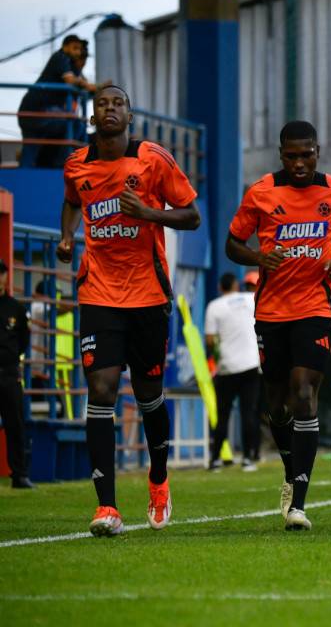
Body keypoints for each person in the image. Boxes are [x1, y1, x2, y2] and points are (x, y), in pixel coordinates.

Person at [59, 85, 201, 536]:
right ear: (92, 117)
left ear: (130, 116)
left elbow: (192, 215)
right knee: (101, 390)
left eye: (117, 103)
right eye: (102, 103)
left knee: (147, 396)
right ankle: (107, 507)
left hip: (148, 295)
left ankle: (158, 481)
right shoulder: (76, 164)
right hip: (98, 293)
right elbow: (72, 200)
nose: (110, 109)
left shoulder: (153, 160)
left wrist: (147, 213)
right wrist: (67, 236)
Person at [226, 120, 331, 531]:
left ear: (318, 152)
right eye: (292, 156)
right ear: (281, 154)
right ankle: (289, 469)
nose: (300, 163)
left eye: (307, 155)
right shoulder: (261, 192)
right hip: (271, 312)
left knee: (304, 394)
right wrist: (257, 258)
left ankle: (298, 503)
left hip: (316, 308)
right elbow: (233, 244)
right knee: (278, 405)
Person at [204, 272, 263, 471]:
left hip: (227, 367)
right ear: (237, 286)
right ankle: (247, 459)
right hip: (250, 365)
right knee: (248, 412)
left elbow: (210, 340)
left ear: (220, 287)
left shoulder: (214, 306)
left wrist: (217, 353)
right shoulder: (251, 299)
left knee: (223, 414)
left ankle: (215, 461)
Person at [19, 35, 104, 168]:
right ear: (65, 47)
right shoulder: (60, 57)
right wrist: (84, 83)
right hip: (37, 110)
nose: (78, 52)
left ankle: (25, 174)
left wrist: (96, 87)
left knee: (31, 149)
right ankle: (63, 164)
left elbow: (84, 84)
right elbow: (70, 80)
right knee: (76, 124)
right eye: (75, 48)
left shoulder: (71, 65)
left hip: (31, 111)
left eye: (80, 50)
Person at [0, 259, 35, 488]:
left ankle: (19, 475)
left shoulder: (17, 309)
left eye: (1, 273)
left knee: (15, 424)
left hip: (9, 373)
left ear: (6, 276)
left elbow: (24, 341)